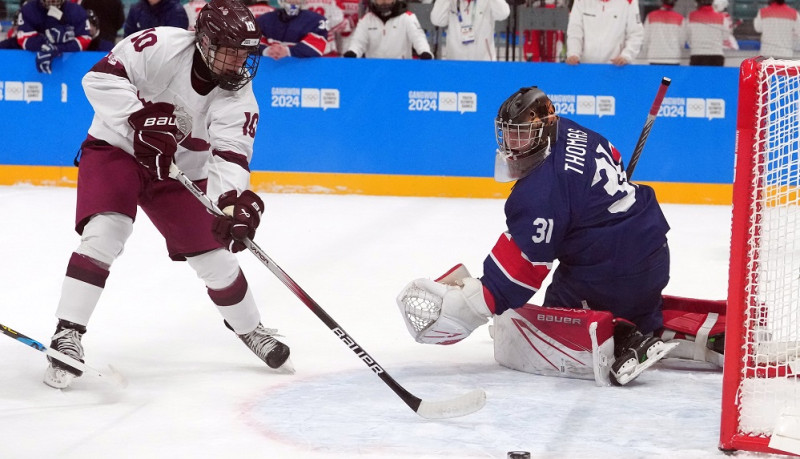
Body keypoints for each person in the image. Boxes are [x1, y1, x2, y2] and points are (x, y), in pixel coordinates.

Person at [43, 0, 293, 390]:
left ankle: (251, 329)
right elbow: (98, 79)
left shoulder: (239, 94)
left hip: (178, 174)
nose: (238, 63)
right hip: (118, 150)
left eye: (245, 53)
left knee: (216, 257)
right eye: (230, 51)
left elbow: (231, 155)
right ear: (205, 41)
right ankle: (67, 333)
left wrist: (230, 203)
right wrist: (139, 118)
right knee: (107, 231)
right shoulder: (161, 44)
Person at [396, 86, 677, 386]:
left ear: (545, 128)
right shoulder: (571, 129)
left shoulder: (541, 191)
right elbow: (615, 164)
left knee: (554, 318)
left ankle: (621, 333)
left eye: (522, 134)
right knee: (579, 280)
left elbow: (518, 275)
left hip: (613, 270)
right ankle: (645, 318)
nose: (512, 146)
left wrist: (470, 305)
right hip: (653, 250)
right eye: (509, 134)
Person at [16, 0, 91, 73]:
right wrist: (48, 40)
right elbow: (24, 39)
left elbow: (85, 39)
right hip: (31, 65)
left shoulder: (76, 11)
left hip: (72, 65)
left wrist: (57, 48)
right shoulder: (29, 9)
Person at [343, 0, 433, 59]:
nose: (384, 2)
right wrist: (353, 52)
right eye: (380, 0)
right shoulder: (367, 20)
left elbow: (418, 38)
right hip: (374, 70)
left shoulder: (407, 17)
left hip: (401, 69)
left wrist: (424, 52)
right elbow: (358, 42)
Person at [565, 0, 643, 65]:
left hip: (617, 69)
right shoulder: (581, 1)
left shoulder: (629, 2)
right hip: (585, 68)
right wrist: (573, 54)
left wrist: (626, 56)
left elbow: (636, 34)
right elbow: (575, 30)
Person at [429, 0, 510, 61]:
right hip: (455, 61)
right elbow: (437, 20)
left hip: (484, 61)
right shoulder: (451, 2)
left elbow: (503, 13)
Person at [256, 0, 328, 59]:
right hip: (270, 69)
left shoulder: (316, 20)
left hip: (303, 70)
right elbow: (250, 43)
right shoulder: (264, 19)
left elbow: (316, 47)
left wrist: (288, 51)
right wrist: (266, 50)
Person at [641, 0, 687, 65]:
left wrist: (645, 52)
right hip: (673, 58)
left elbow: (645, 39)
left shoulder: (651, 16)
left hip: (655, 57)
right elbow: (682, 42)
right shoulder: (680, 19)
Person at [686, 0, 729, 66]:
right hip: (717, 56)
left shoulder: (691, 16)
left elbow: (687, 36)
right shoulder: (722, 18)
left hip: (697, 55)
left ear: (697, 3)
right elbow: (726, 37)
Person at [124, 0, 188, 38]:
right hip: (139, 58)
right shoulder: (135, 10)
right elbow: (127, 40)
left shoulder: (177, 12)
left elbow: (176, 44)